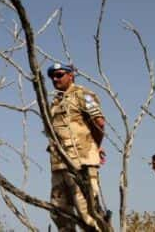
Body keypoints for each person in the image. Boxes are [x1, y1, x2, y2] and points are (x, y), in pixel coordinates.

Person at [47, 63, 105, 232]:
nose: (55, 79)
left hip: (81, 163)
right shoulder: (55, 101)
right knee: (59, 212)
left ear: (70, 75)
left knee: (88, 213)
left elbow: (99, 123)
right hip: (58, 165)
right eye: (52, 76)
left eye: (59, 75)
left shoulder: (82, 94)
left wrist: (94, 146)